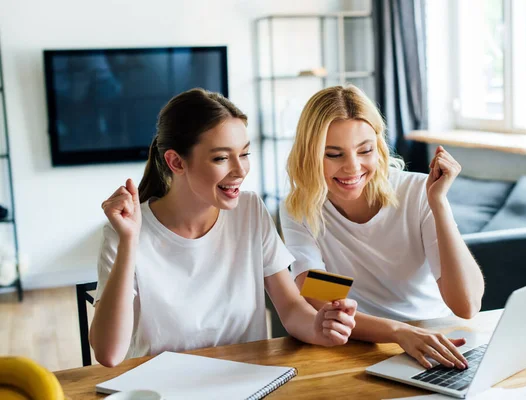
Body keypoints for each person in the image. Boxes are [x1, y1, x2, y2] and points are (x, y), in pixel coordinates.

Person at [89, 88, 357, 368]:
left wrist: (319, 327)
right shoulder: (125, 232)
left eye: (244, 154)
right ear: (176, 162)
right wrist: (130, 241)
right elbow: (109, 354)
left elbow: (290, 307)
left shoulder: (250, 210)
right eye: (221, 158)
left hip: (247, 384)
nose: (240, 170)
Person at [280, 85, 485, 370]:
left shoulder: (417, 191)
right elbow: (318, 295)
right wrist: (397, 332)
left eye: (365, 150)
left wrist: (438, 204)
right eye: (334, 154)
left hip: (437, 339)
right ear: (310, 154)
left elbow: (467, 305)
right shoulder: (300, 208)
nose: (352, 167)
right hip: (362, 344)